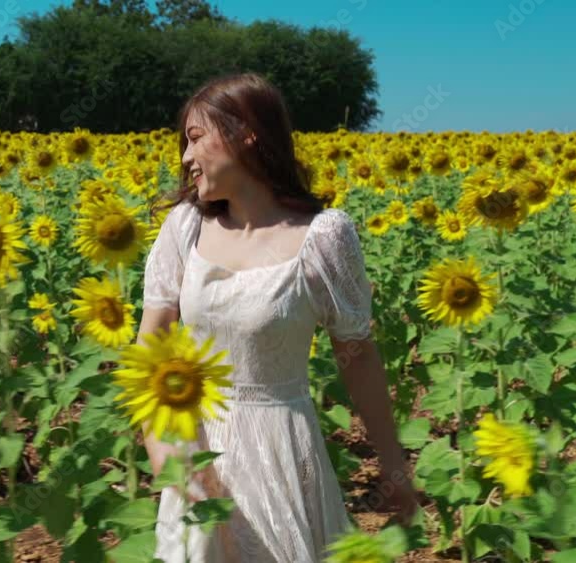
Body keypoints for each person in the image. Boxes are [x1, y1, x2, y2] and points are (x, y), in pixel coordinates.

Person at [137, 72, 419, 562]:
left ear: (246, 133)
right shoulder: (185, 227)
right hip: (195, 452)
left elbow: (357, 355)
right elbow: (150, 350)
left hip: (281, 453)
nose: (185, 157)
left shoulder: (324, 237)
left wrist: (393, 466)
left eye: (196, 137)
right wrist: (166, 455)